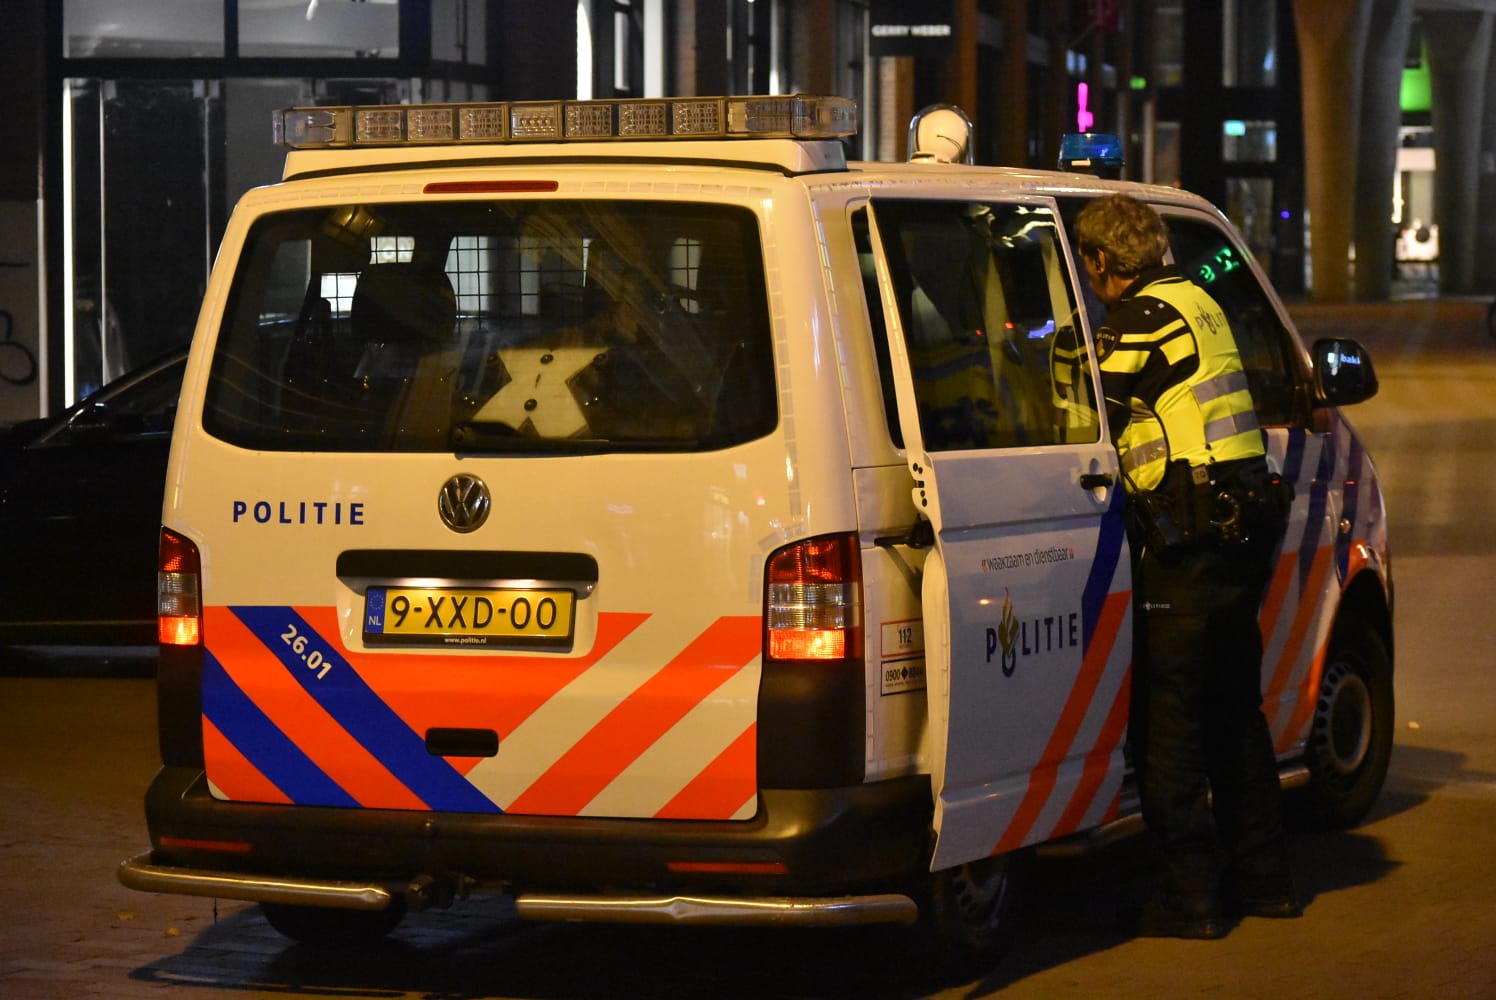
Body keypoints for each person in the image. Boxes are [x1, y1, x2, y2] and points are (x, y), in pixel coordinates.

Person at [1072, 193, 1299, 939]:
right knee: (1233, 708)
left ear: (1099, 261)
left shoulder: (1136, 320)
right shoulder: (1199, 302)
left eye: (1088, 264)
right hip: (1242, 529)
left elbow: (1083, 414)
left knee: (1166, 721)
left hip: (1190, 543)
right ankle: (1264, 878)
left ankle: (1189, 895)